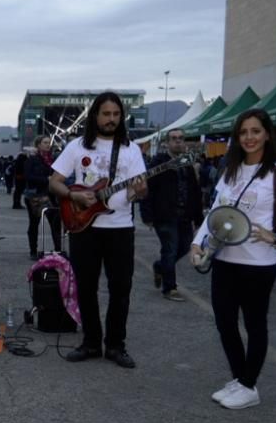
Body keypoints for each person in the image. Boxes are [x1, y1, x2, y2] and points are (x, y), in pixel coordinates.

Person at [191, 109, 276, 410]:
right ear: (237, 137)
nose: (249, 137)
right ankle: (239, 379)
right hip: (224, 258)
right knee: (225, 322)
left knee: (254, 324)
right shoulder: (230, 171)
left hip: (258, 264)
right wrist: (196, 244)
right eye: (243, 132)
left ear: (266, 135)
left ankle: (249, 386)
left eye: (255, 131)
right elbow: (214, 213)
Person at [49, 92, 147, 369]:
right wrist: (73, 195)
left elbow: (140, 189)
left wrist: (140, 192)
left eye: (116, 114)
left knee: (121, 289)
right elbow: (54, 182)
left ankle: (116, 345)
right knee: (86, 287)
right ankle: (91, 342)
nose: (111, 119)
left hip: (120, 228)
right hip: (84, 227)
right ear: (95, 116)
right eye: (106, 114)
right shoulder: (77, 146)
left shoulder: (131, 150)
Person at [140, 129, 203, 301]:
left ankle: (160, 267)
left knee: (184, 247)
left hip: (185, 215)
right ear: (167, 143)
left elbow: (195, 191)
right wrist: (147, 215)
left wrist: (199, 219)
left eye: (181, 138)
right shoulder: (158, 163)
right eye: (174, 139)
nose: (178, 141)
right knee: (170, 249)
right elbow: (148, 190)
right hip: (165, 215)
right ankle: (170, 287)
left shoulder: (186, 163)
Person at [24, 134, 62, 258]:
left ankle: (58, 250)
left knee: (55, 223)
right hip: (36, 196)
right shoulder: (32, 159)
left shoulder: (53, 159)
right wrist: (46, 179)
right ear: (38, 145)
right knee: (35, 223)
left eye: (48, 142)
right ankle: (33, 250)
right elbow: (28, 177)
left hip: (51, 195)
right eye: (45, 142)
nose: (48, 145)